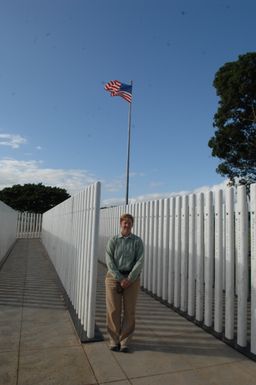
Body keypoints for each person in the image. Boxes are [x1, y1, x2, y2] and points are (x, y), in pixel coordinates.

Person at [105, 213, 144, 353]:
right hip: (113, 278)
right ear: (120, 223)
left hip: (131, 280)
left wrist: (130, 278)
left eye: (129, 222)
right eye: (124, 222)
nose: (126, 225)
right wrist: (120, 278)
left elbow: (140, 261)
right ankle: (113, 340)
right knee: (113, 310)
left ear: (132, 225)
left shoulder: (137, 241)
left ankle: (125, 341)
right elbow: (109, 260)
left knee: (129, 311)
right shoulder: (113, 240)